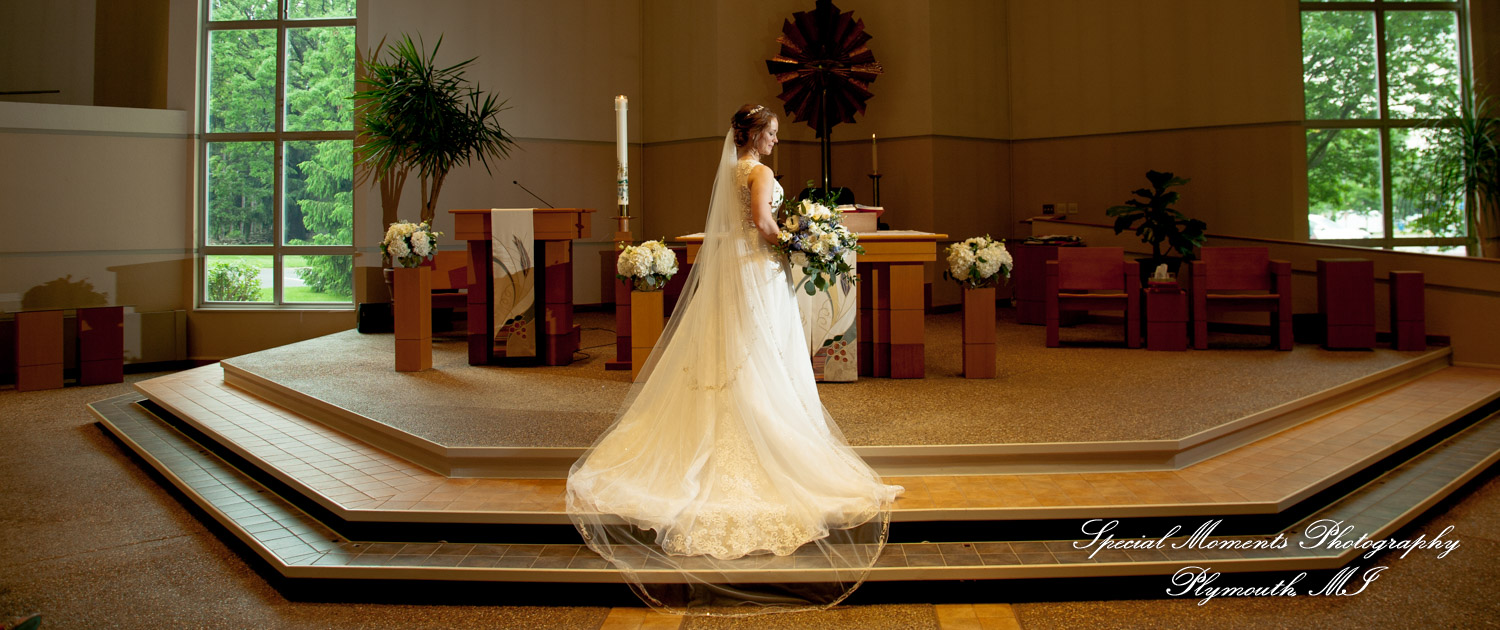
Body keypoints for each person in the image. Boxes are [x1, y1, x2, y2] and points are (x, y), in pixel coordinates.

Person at [565, 104, 903, 616]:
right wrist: (804, 243)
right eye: (772, 133)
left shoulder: (730, 170)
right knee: (762, 351)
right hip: (758, 272)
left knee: (737, 351)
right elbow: (764, 224)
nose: (776, 141)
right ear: (756, 134)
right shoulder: (760, 173)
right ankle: (766, 430)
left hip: (735, 273)